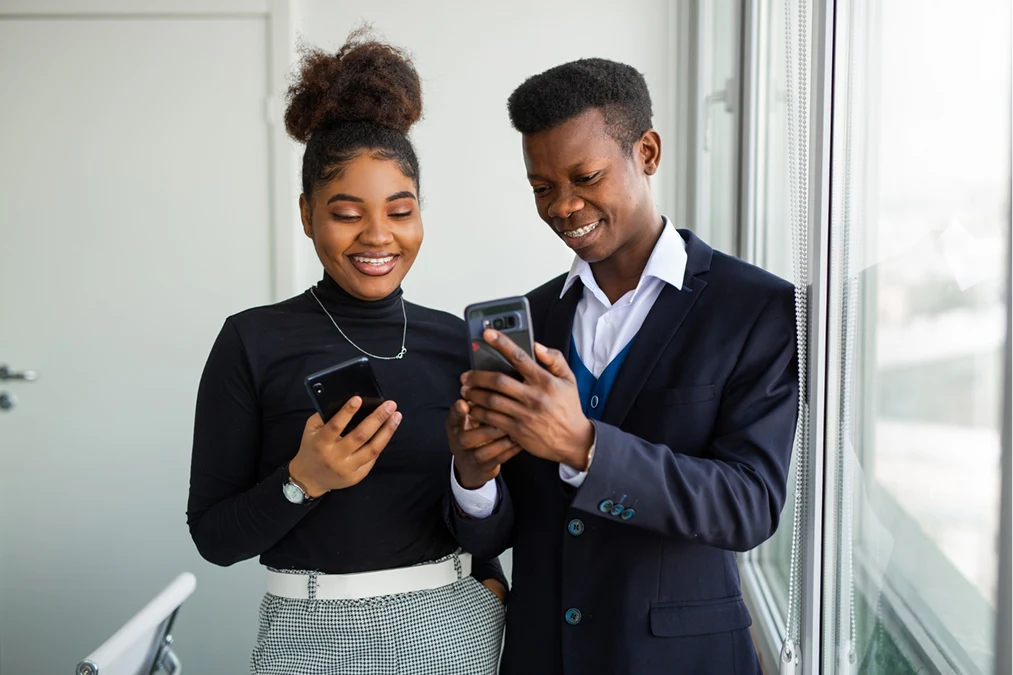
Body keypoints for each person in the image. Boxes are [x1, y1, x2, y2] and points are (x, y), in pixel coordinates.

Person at [446, 58, 799, 674]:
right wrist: (473, 480)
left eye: (585, 176)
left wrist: (585, 447)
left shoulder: (755, 307)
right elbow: (495, 536)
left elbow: (749, 504)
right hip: (541, 656)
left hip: (680, 660)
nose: (563, 205)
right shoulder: (531, 318)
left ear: (649, 152)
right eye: (542, 187)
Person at [187, 31, 506, 675]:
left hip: (461, 629)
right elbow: (215, 539)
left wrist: (476, 485)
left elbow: (491, 534)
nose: (379, 236)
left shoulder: (457, 341)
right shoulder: (251, 341)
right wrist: (304, 481)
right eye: (346, 213)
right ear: (307, 215)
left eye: (400, 209)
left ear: (421, 214)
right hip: (312, 637)